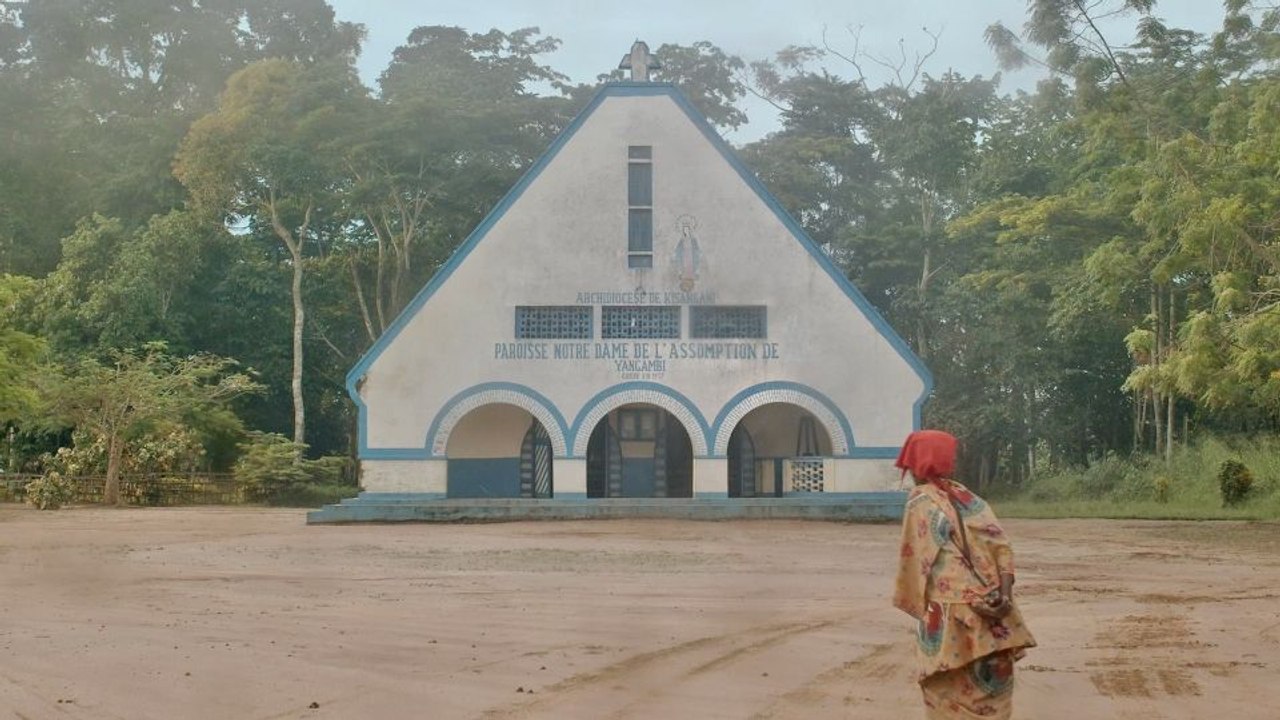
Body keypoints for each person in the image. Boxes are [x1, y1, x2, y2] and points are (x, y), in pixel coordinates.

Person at [892, 430, 1036, 719]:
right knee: (991, 700)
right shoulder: (971, 499)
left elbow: (916, 562)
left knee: (946, 697)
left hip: (951, 619)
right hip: (996, 611)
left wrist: (918, 603)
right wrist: (1004, 597)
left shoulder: (920, 501)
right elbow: (1001, 547)